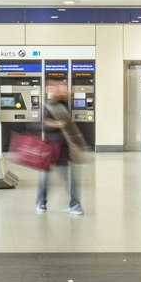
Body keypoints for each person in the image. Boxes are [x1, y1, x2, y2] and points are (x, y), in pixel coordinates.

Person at [36, 80, 86, 216]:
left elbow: (71, 127)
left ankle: (75, 204)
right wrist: (55, 125)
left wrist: (79, 144)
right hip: (51, 148)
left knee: (70, 178)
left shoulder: (65, 105)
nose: (61, 89)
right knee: (45, 178)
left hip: (64, 148)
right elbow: (41, 125)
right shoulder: (48, 106)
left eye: (63, 87)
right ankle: (41, 201)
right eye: (57, 87)